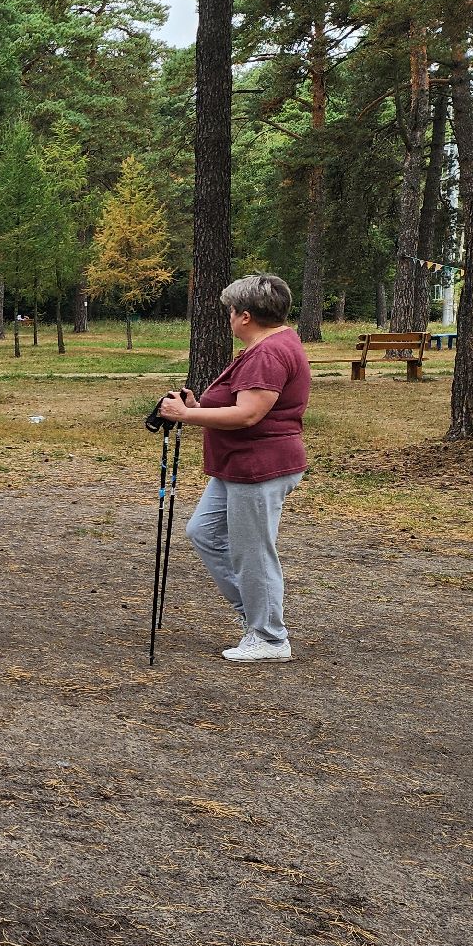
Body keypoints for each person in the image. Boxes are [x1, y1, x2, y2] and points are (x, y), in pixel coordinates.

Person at [159, 273, 311, 664]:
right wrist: (196, 409)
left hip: (259, 466)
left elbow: (249, 415)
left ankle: (270, 637)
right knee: (204, 533)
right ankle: (257, 616)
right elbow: (243, 407)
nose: (228, 317)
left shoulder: (267, 353)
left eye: (230, 310)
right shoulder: (269, 344)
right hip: (238, 466)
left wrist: (186, 417)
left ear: (245, 316)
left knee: (253, 552)